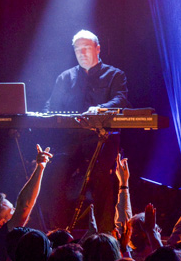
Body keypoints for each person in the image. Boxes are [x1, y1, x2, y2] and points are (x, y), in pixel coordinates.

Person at [44, 30, 130, 232]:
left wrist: (100, 108)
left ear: (97, 49)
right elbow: (51, 106)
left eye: (86, 48)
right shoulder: (65, 77)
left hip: (102, 140)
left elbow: (121, 99)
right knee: (53, 173)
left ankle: (105, 233)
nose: (81, 53)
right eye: (77, 50)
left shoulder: (115, 75)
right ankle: (58, 231)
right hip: (72, 141)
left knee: (103, 178)